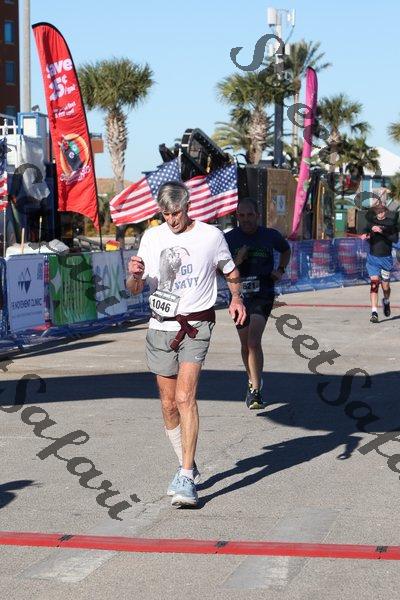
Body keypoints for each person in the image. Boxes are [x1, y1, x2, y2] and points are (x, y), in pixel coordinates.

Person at [127, 181, 246, 508]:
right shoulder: (152, 237)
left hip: (195, 326)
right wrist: (134, 275)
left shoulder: (211, 236)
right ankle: (187, 465)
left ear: (188, 207)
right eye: (165, 214)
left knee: (184, 397)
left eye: (176, 213)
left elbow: (231, 271)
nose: (172, 220)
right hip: (159, 327)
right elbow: (135, 288)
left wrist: (237, 299)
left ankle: (184, 473)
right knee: (168, 405)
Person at [225, 197, 291, 409]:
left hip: (263, 294)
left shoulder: (269, 235)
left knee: (253, 341)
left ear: (257, 215)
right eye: (241, 215)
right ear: (237, 216)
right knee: (245, 345)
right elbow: (220, 269)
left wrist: (280, 270)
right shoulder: (229, 239)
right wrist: (237, 261)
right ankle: (252, 379)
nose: (246, 219)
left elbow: (286, 250)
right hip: (239, 297)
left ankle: (256, 391)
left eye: (250, 215)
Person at [362, 193, 399, 323]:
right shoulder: (371, 223)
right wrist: (365, 235)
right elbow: (365, 232)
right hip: (373, 258)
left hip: (386, 259)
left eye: (382, 211)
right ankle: (374, 313)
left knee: (385, 287)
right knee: (374, 284)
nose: (380, 213)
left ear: (386, 211)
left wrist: (382, 231)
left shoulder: (391, 224)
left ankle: (386, 301)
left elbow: (395, 239)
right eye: (378, 211)